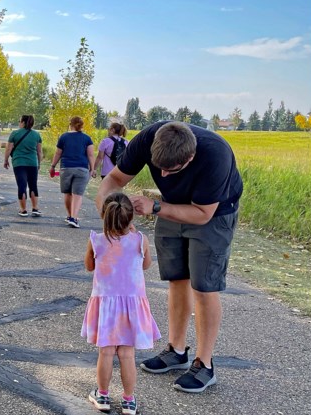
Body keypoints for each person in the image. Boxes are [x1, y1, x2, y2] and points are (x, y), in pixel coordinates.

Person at [95, 120, 243, 394]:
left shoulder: (215, 155)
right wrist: (110, 213)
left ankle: (204, 364)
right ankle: (176, 350)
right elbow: (114, 179)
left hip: (212, 213)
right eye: (158, 166)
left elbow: (202, 214)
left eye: (171, 169)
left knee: (204, 286)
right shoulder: (148, 138)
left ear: (189, 157)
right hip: (169, 206)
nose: (162, 174)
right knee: (177, 278)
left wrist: (156, 206)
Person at [82, 192, 160, 415]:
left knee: (105, 353)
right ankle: (128, 400)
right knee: (127, 355)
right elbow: (146, 265)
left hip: (106, 306)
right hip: (131, 307)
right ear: (131, 218)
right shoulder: (140, 240)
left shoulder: (96, 240)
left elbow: (89, 266)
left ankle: (103, 395)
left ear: (104, 217)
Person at [48, 116, 95, 228]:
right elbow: (91, 155)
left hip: (66, 168)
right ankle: (74, 218)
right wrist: (92, 169)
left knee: (68, 193)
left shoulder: (64, 137)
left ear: (70, 124)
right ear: (81, 125)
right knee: (77, 195)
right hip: (82, 169)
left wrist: (53, 166)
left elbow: (58, 153)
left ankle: (70, 216)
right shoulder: (87, 138)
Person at [3, 114, 42, 217]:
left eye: (20, 121)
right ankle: (35, 208)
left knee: (22, 185)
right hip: (33, 163)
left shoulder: (15, 134)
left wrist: (6, 160)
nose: (19, 123)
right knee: (33, 185)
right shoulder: (36, 135)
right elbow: (39, 152)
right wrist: (39, 163)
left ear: (23, 123)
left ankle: (23, 210)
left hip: (19, 163)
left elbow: (8, 149)